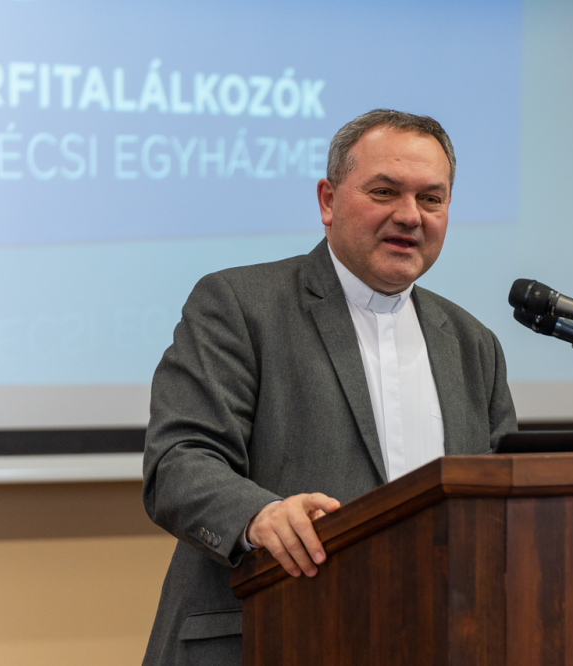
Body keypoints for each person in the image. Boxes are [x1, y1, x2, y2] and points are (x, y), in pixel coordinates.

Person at [141, 109, 517, 666]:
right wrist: (259, 515)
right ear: (328, 200)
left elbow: (502, 503)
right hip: (268, 634)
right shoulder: (240, 305)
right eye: (385, 191)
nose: (409, 215)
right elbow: (178, 462)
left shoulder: (472, 343)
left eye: (431, 199)